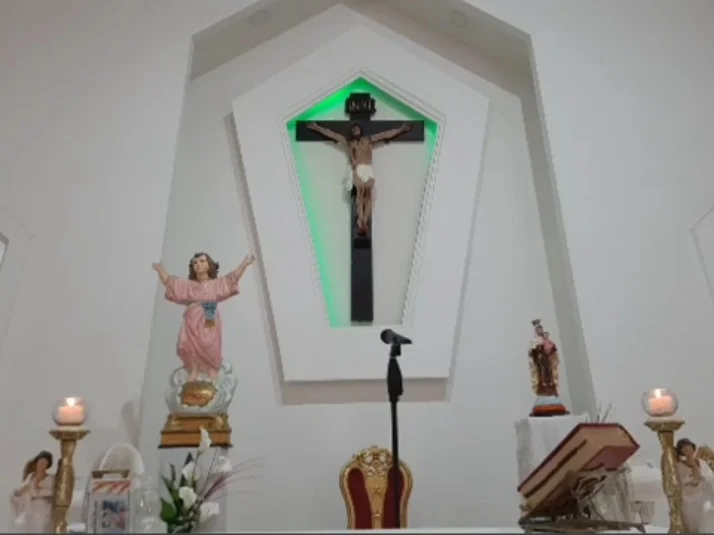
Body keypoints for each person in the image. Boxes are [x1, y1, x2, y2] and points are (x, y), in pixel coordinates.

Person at [152, 252, 256, 382]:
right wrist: (160, 269)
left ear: (209, 265)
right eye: (195, 263)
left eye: (202, 261)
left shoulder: (215, 285)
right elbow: (170, 283)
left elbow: (232, 279)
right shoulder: (189, 286)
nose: (198, 264)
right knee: (189, 345)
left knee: (209, 344)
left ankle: (211, 369)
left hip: (209, 314)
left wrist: (244, 264)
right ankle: (194, 369)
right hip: (191, 318)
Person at [307, 121, 412, 235]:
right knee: (360, 193)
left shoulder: (368, 140)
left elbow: (385, 135)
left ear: (361, 131)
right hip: (357, 168)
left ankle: (364, 222)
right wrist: (316, 127)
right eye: (354, 130)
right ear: (352, 132)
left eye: (357, 129)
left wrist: (401, 129)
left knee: (368, 195)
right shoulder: (349, 142)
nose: (355, 130)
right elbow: (333, 135)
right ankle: (361, 220)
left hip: (368, 168)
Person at [675, 438, 714, 532]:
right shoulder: (679, 466)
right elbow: (680, 482)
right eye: (685, 451)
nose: (689, 453)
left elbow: (709, 477)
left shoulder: (701, 463)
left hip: (703, 498)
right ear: (681, 453)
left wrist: (696, 468)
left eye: (690, 449)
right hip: (688, 502)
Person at [11, 450, 55, 532]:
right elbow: (22, 491)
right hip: (29, 508)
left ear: (47, 465)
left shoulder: (51, 478)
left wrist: (39, 491)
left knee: (40, 524)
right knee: (20, 524)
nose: (41, 465)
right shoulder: (31, 476)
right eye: (40, 462)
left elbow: (53, 492)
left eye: (44, 463)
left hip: (44, 508)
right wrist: (19, 492)